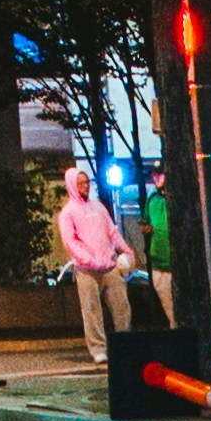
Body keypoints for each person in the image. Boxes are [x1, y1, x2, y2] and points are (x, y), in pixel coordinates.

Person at [53, 158, 141, 370]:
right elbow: (70, 241)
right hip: (86, 270)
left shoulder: (98, 207)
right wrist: (87, 258)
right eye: (81, 183)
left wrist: (126, 250)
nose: (85, 186)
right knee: (91, 310)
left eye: (87, 182)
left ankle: (123, 343)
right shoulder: (68, 213)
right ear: (72, 185)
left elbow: (112, 231)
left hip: (109, 265)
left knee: (122, 306)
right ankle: (98, 349)